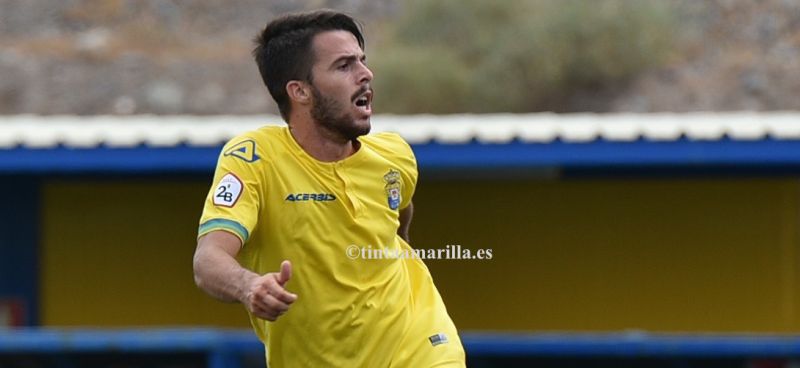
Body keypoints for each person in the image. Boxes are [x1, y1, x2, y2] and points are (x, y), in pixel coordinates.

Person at [192, 9, 465, 367]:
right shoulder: (254, 158)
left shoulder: (394, 155)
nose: (365, 74)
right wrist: (249, 286)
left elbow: (400, 213)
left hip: (420, 348)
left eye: (363, 61)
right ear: (300, 91)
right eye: (344, 66)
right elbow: (208, 260)